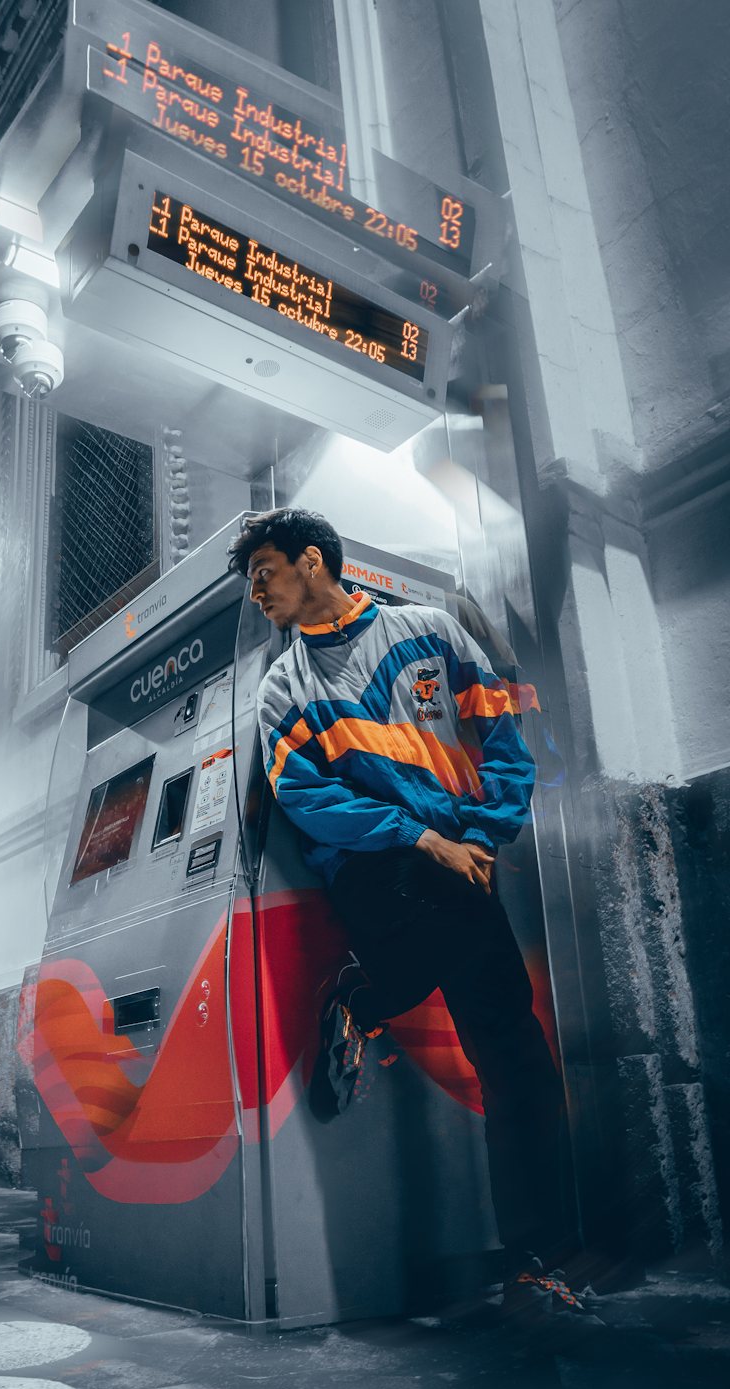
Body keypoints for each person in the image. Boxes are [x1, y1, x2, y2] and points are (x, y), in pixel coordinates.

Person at [228, 508, 601, 1333]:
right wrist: (425, 838)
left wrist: (480, 835)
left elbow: (503, 736)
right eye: (250, 583)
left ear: (313, 560)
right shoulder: (283, 686)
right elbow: (306, 798)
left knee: (502, 1045)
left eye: (265, 573)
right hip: (376, 869)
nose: (256, 593)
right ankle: (540, 1263)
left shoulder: (428, 631)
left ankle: (367, 996)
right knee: (509, 1040)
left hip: (458, 869)